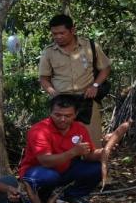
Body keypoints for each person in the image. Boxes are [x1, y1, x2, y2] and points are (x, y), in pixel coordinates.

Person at [19, 94, 106, 203]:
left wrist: (103, 151)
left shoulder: (79, 128)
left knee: (96, 168)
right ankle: (40, 200)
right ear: (50, 112)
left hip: (64, 169)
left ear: (76, 114)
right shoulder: (39, 130)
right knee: (50, 176)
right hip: (37, 172)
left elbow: (88, 155)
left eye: (68, 115)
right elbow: (45, 161)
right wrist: (73, 152)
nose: (62, 119)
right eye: (58, 115)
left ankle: (72, 196)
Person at [38, 14, 111, 147]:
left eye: (62, 33)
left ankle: (94, 167)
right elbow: (44, 78)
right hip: (62, 103)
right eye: (54, 34)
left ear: (72, 30)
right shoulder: (49, 52)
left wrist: (95, 86)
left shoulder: (90, 46)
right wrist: (53, 93)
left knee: (91, 142)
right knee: (62, 144)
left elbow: (105, 68)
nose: (58, 37)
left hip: (87, 100)